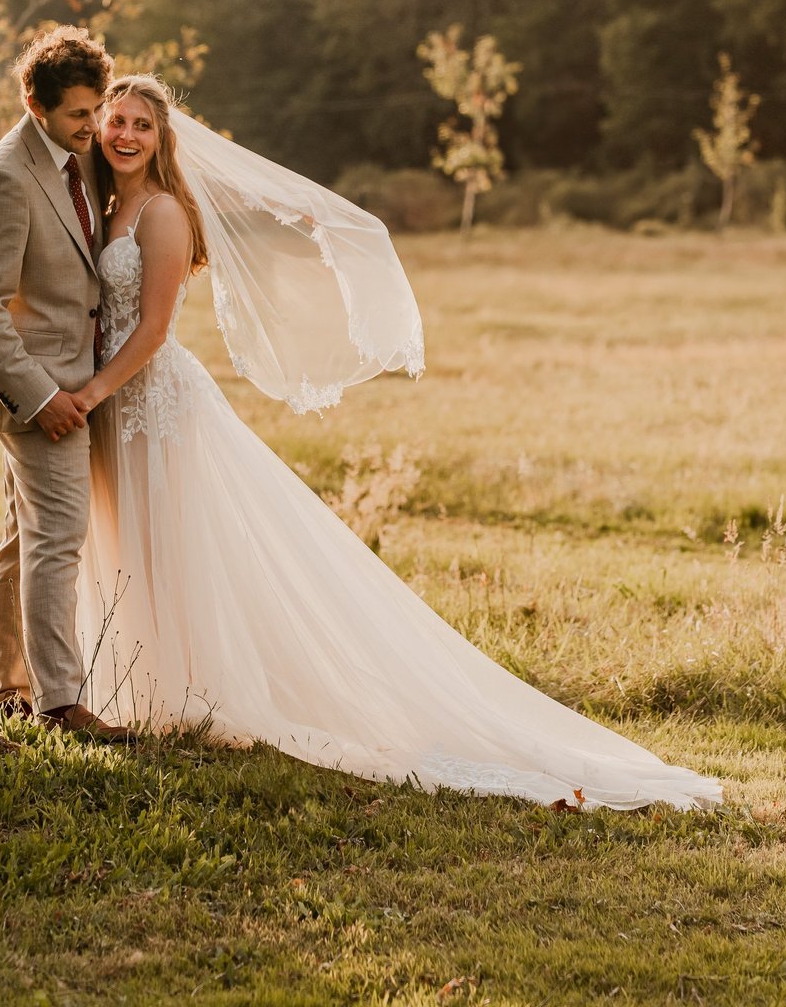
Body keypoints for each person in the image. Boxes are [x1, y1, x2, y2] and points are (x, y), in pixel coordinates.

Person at [60, 74, 723, 810]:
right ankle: (145, 692)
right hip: (114, 405)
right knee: (129, 542)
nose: (123, 135)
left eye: (140, 126)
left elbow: (152, 330)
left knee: (176, 544)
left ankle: (192, 696)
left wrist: (89, 392)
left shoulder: (161, 215)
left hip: (149, 400)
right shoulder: (105, 202)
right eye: (115, 121)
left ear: (162, 139)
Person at [0, 27, 132, 742]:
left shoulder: (78, 158)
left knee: (22, 540)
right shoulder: (7, 176)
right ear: (34, 102)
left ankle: (8, 688)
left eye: (98, 110)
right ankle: (62, 704)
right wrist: (43, 397)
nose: (94, 128)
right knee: (58, 537)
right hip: (38, 396)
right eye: (79, 115)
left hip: (77, 380)